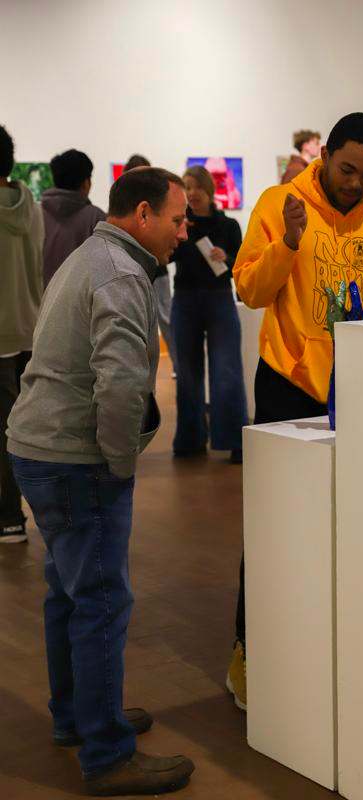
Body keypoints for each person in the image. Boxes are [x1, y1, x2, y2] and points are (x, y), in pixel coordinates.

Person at [7, 168, 195, 796]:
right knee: (101, 602)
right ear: (142, 214)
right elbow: (118, 382)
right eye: (176, 218)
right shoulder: (120, 272)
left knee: (69, 594)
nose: (183, 229)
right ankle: (108, 755)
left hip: (39, 446)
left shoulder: (95, 253)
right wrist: (119, 465)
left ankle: (82, 720)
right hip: (74, 459)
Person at [227, 112, 363, 710]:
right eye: (346, 169)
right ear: (324, 157)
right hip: (287, 384)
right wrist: (287, 242)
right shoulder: (281, 202)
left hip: (361, 389)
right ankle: (249, 652)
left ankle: (328, 646)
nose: (356, 183)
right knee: (273, 523)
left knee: (350, 520)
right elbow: (249, 290)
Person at [171, 165, 247, 463]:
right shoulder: (182, 226)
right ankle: (190, 439)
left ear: (209, 190)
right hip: (186, 299)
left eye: (197, 187)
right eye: (187, 188)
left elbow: (242, 262)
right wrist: (179, 232)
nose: (192, 193)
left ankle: (234, 440)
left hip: (219, 299)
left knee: (226, 369)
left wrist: (226, 257)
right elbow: (167, 255)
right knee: (187, 373)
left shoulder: (228, 226)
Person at [0, 124, 44, 544]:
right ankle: (26, 512)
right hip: (27, 330)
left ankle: (9, 516)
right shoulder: (30, 206)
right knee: (21, 428)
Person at [122, 154, 178, 374]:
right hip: (132, 270)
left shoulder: (159, 201)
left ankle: (177, 365)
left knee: (165, 317)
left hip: (157, 271)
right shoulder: (126, 205)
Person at [41, 148, 106, 288]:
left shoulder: (36, 214)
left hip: (40, 304)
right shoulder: (96, 218)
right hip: (80, 306)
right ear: (86, 183)